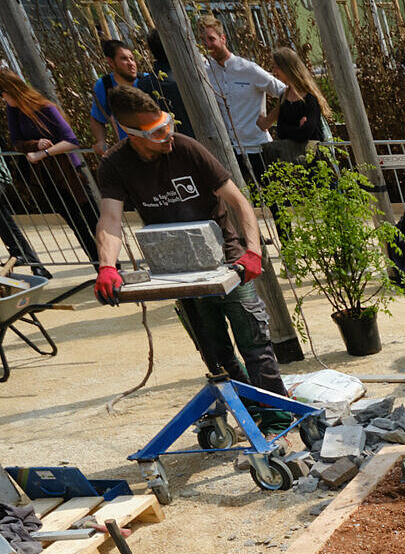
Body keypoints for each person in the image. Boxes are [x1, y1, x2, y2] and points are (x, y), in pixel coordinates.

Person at [96, 85, 286, 398]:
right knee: (215, 352)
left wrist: (252, 252)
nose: (168, 135)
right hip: (177, 269)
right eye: (157, 132)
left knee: (255, 343)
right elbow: (111, 219)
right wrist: (107, 267)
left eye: (167, 125)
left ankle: (278, 418)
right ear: (131, 133)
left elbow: (238, 200)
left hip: (229, 261)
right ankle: (249, 416)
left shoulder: (187, 149)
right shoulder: (115, 165)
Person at [1, 69, 100, 263]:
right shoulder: (13, 111)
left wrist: (43, 153)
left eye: (3, 94)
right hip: (47, 177)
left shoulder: (46, 108)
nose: (3, 99)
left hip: (71, 173)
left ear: (11, 91)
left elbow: (71, 141)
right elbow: (16, 142)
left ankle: (112, 266)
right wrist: (34, 145)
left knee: (93, 220)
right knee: (76, 225)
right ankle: (99, 266)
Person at [197, 14, 283, 181]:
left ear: (223, 39)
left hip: (258, 148)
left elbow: (286, 93)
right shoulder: (205, 73)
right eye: (203, 40)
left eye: (211, 39)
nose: (207, 44)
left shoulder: (249, 69)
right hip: (229, 152)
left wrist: (269, 120)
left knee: (275, 202)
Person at [89, 39, 160, 156]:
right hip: (131, 151)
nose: (131, 63)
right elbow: (97, 118)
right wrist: (101, 141)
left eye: (132, 58)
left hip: (157, 143)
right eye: (124, 59)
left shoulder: (148, 80)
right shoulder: (105, 85)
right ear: (111, 62)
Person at [266, 47, 327, 160]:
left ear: (287, 68)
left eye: (276, 67)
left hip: (313, 161)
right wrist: (297, 129)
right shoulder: (284, 97)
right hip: (292, 160)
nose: (274, 71)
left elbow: (306, 132)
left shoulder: (310, 98)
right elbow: (280, 130)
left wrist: (291, 130)